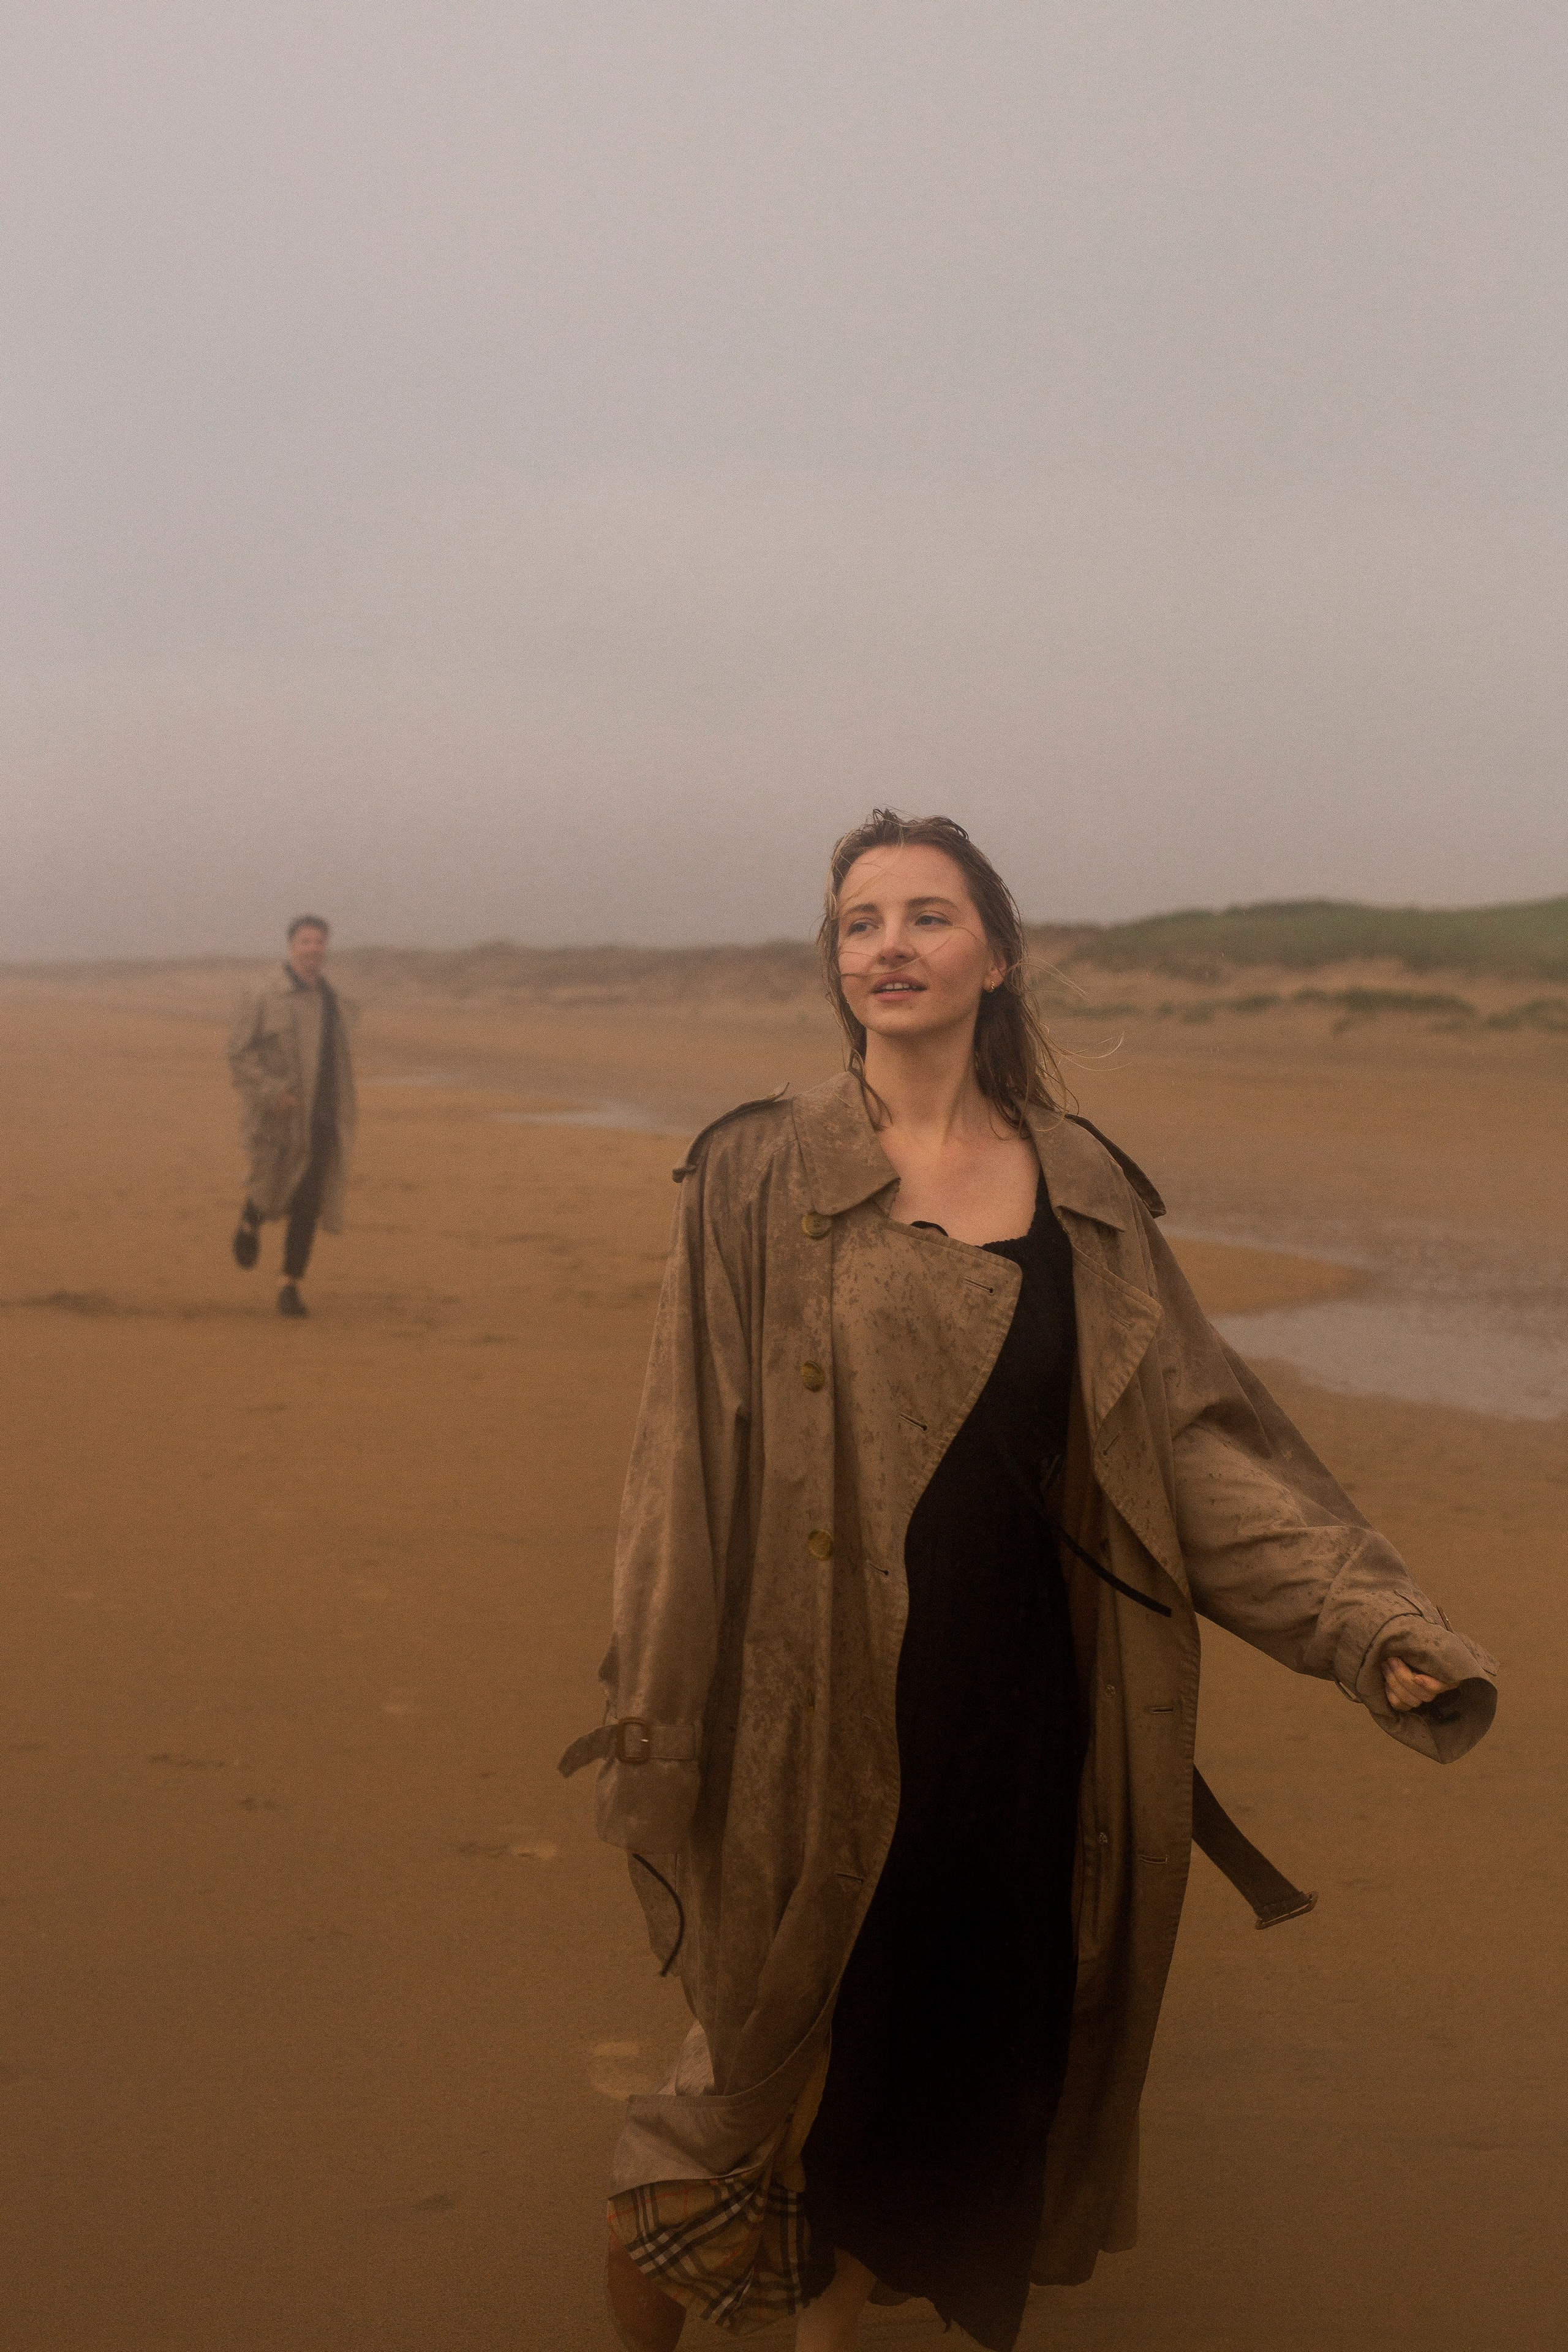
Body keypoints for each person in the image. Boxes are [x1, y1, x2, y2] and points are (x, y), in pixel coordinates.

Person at [562, 811, 1498, 2352]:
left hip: (1024, 1722)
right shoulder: (753, 1170)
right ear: (834, 959)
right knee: (728, 2097)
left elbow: (1188, 1448)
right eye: (860, 920)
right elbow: (680, 1468)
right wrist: (663, 1717)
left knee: (917, 2074)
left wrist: (1361, 1625)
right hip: (817, 1719)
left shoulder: (1083, 1186)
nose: (891, 946)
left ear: (996, 955)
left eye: (928, 916)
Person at [227, 915, 356, 1319]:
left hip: (319, 1116)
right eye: (306, 941)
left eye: (320, 942)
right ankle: (250, 1220)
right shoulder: (263, 994)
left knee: (308, 1202)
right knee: (270, 1183)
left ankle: (289, 1285)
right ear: (290, 946)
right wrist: (272, 1093)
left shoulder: (332, 1000)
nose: (313, 949)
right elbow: (238, 1055)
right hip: (275, 1119)